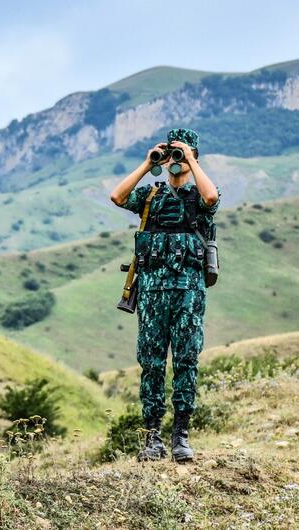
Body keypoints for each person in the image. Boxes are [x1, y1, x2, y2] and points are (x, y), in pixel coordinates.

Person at [109, 128, 219, 462]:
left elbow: (211, 198)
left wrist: (190, 159)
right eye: (171, 154)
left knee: (186, 361)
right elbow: (116, 196)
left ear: (192, 157)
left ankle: (181, 436)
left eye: (180, 155)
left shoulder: (198, 196)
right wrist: (147, 163)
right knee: (152, 364)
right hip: (153, 294)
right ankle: (152, 437)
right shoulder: (151, 196)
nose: (174, 160)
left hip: (188, 293)